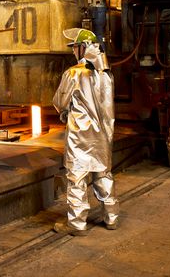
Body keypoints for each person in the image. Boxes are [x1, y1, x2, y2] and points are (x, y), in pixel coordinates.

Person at [51, 27, 119, 235]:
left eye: (74, 47)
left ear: (83, 48)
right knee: (103, 175)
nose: (73, 51)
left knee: (77, 179)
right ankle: (112, 217)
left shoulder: (73, 73)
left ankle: (77, 224)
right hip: (103, 136)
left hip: (80, 136)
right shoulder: (106, 74)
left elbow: (60, 102)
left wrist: (64, 113)